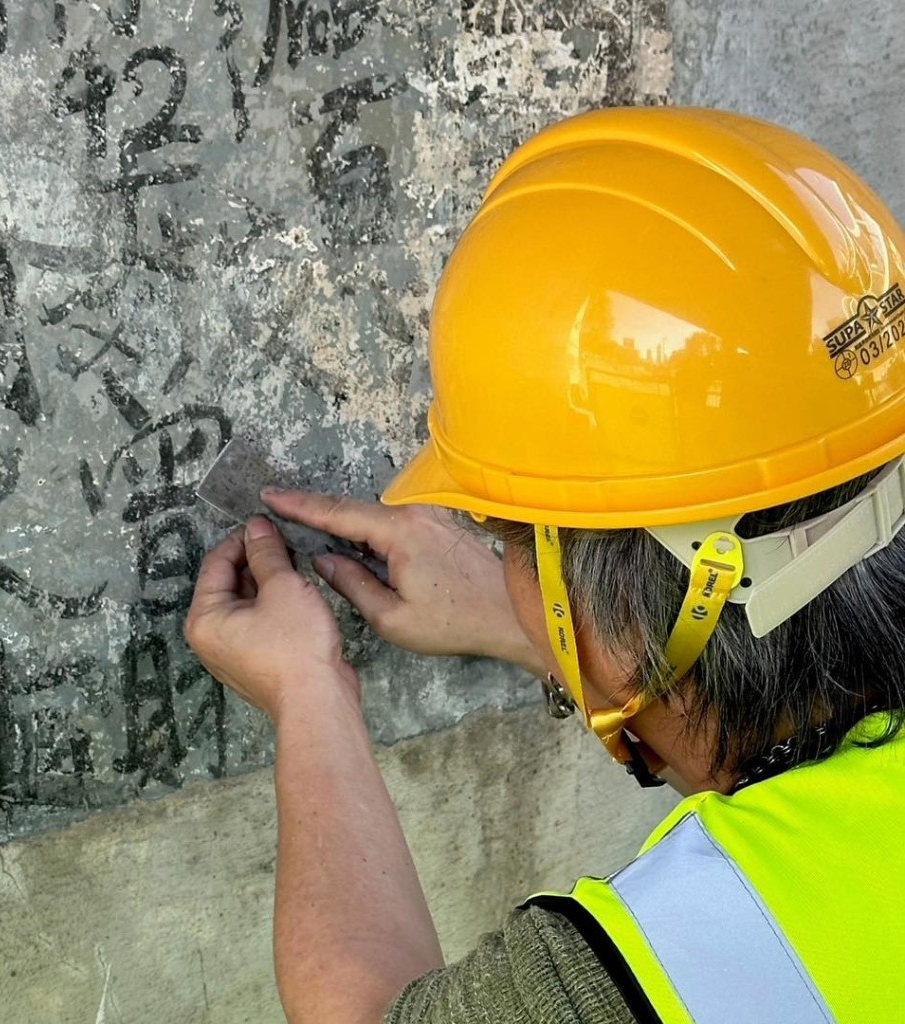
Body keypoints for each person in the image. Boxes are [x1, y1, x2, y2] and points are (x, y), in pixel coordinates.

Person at [184, 106, 905, 1023]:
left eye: (510, 542)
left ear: (652, 603)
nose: (505, 569)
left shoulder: (712, 950)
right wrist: (525, 616)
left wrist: (309, 691)